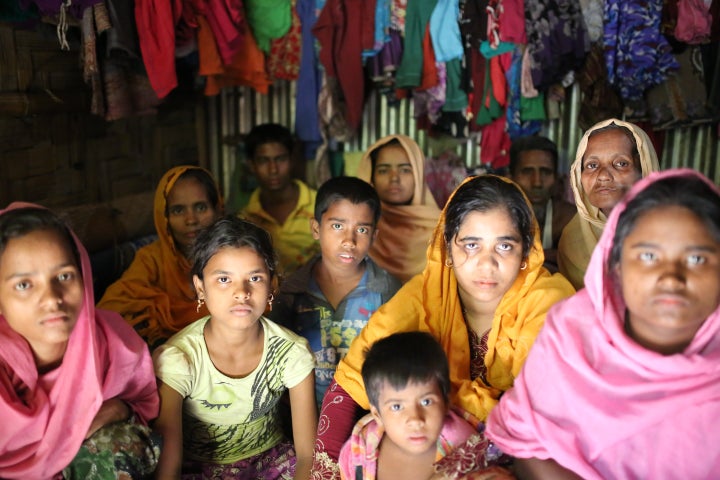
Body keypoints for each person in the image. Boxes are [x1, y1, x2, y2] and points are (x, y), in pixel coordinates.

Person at [311, 175, 576, 477]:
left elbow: (552, 413)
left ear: (526, 250)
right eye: (471, 245)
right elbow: (349, 385)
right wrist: (324, 472)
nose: (487, 265)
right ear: (448, 246)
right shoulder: (424, 294)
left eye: (504, 246)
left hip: (524, 449)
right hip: (427, 436)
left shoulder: (550, 302)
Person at [486, 169, 720, 479]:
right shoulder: (570, 334)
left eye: (697, 259)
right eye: (649, 256)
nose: (671, 278)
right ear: (616, 266)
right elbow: (528, 443)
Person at [0, 203, 160, 479]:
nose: (52, 298)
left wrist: (120, 408)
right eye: (24, 285)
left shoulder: (112, 341)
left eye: (64, 276)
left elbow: (143, 400)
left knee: (120, 443)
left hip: (86, 463)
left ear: (84, 275)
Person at [152, 216, 317, 479]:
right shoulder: (180, 359)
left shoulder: (291, 354)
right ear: (200, 287)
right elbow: (169, 465)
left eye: (255, 277)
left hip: (272, 464)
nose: (242, 292)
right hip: (198, 469)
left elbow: (308, 455)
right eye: (224, 280)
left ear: (273, 285)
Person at [270, 176, 401, 408]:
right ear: (316, 228)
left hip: (368, 417)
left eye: (361, 229)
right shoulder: (290, 294)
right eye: (337, 226)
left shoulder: (390, 293)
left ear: (374, 236)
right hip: (303, 418)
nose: (349, 241)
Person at [98, 165, 224, 350]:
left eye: (200, 207)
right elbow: (112, 307)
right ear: (164, 217)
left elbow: (261, 301)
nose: (191, 220)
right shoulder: (151, 259)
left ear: (217, 210)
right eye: (178, 211)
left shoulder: (236, 257)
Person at [339, 331, 477, 480]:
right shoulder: (357, 453)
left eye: (426, 402)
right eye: (397, 406)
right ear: (377, 415)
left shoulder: (468, 449)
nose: (415, 420)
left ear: (446, 402)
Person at [557, 118, 660, 289]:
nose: (603, 175)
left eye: (620, 164)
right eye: (592, 165)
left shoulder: (673, 231)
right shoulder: (573, 240)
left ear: (644, 171)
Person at [356, 134, 441, 283]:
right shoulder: (356, 227)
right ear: (371, 177)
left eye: (405, 170)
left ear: (418, 175)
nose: (394, 178)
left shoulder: (444, 230)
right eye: (383, 170)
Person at [239, 123, 320, 276]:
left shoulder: (321, 206)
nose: (273, 170)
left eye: (280, 159)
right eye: (264, 161)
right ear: (251, 165)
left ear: (292, 160)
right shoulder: (245, 220)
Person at [508, 135, 575, 273]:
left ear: (556, 179)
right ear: (510, 178)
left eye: (545, 172)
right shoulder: (496, 218)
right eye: (527, 172)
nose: (537, 183)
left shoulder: (569, 219)